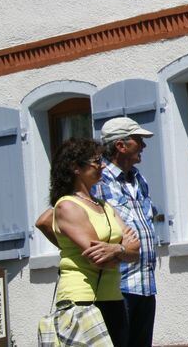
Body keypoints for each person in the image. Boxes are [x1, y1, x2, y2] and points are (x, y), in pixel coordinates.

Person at [36, 138, 141, 346]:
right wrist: (122, 249)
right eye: (96, 161)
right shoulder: (67, 206)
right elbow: (100, 259)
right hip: (81, 301)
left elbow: (136, 251)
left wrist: (116, 249)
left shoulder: (104, 206)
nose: (102, 165)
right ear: (76, 167)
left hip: (113, 299)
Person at [92, 116, 158, 347]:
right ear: (121, 145)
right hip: (117, 289)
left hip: (145, 286)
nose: (144, 146)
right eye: (138, 140)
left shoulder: (139, 179)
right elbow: (57, 218)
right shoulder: (96, 181)